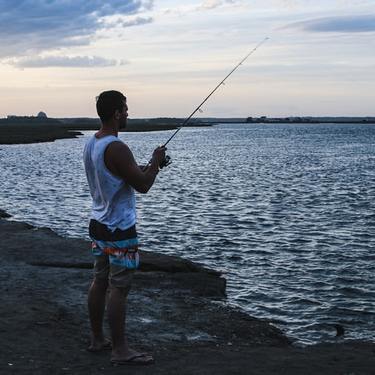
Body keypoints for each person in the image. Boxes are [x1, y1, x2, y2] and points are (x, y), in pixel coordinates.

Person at [83, 90, 166, 365]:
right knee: (119, 288)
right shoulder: (117, 147)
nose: (128, 113)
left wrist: (150, 166)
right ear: (117, 113)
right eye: (126, 109)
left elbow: (120, 176)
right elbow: (142, 185)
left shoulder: (92, 143)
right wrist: (155, 162)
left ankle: (98, 339)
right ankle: (120, 350)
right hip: (120, 228)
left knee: (99, 281)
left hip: (99, 224)